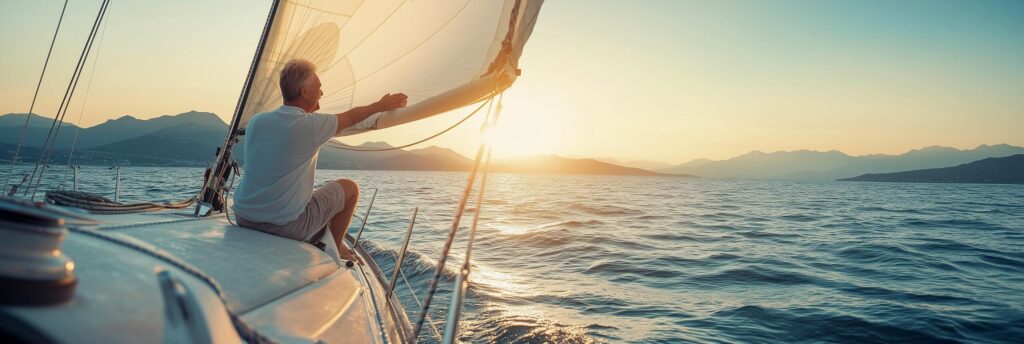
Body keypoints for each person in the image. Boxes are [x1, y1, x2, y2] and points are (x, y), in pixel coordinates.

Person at [232, 59, 407, 262]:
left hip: (244, 217)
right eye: (319, 87)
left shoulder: (256, 121)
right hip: (283, 227)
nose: (322, 93)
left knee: (309, 195)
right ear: (305, 92)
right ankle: (334, 245)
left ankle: (326, 235)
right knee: (349, 189)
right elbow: (351, 116)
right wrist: (381, 105)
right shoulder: (308, 125)